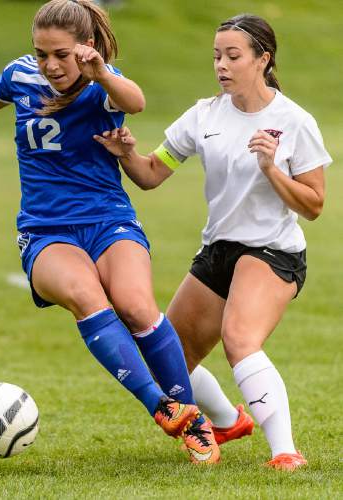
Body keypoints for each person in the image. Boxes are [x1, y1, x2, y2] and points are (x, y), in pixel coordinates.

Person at [0, 0, 220, 464]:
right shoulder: (21, 75)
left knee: (138, 307)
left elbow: (135, 102)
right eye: (42, 53)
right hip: (45, 230)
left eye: (60, 54)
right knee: (86, 297)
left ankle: (194, 419)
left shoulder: (104, 84)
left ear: (85, 48)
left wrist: (100, 73)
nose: (50, 65)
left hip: (108, 220)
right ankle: (162, 408)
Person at [94, 13, 332, 470]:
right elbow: (150, 175)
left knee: (239, 339)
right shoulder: (204, 115)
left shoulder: (294, 121)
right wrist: (126, 153)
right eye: (216, 56)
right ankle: (227, 421)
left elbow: (314, 205)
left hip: (273, 251)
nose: (221, 65)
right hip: (218, 251)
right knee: (168, 355)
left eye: (233, 56)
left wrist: (271, 169)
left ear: (263, 59)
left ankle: (285, 452)